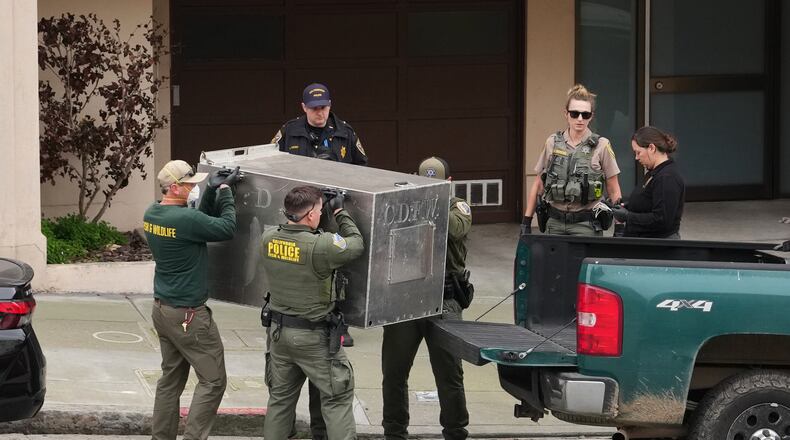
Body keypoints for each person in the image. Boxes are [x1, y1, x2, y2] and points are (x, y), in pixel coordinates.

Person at [144, 160, 240, 440]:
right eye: (189, 184)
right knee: (213, 381)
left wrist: (209, 191)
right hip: (189, 316)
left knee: (170, 382)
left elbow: (200, 224)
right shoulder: (185, 220)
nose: (194, 188)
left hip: (162, 310)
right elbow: (225, 228)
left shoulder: (153, 213)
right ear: (174, 187)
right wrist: (224, 192)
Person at [260, 185, 364, 440]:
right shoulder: (322, 246)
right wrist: (340, 211)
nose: (320, 214)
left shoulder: (269, 238)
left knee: (280, 401)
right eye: (319, 210)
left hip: (279, 335)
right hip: (314, 338)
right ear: (309, 216)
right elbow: (356, 243)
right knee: (337, 399)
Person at [381, 157, 472, 440]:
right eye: (424, 181)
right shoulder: (404, 203)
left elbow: (455, 229)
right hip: (405, 299)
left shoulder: (458, 206)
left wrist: (425, 200)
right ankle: (394, 432)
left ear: (448, 183)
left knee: (449, 375)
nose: (429, 187)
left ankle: (455, 432)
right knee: (394, 372)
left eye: (436, 183)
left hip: (443, 299)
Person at [522, 84, 622, 236]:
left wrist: (619, 226)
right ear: (566, 114)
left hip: (586, 224)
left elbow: (613, 188)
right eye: (574, 114)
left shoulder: (602, 145)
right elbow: (538, 184)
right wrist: (526, 222)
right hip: (554, 222)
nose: (580, 119)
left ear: (591, 116)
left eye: (585, 114)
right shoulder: (552, 142)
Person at [611, 126, 685, 239]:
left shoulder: (667, 177)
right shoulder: (654, 172)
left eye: (638, 152)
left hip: (657, 247)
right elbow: (648, 201)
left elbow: (662, 220)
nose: (636, 158)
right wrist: (627, 206)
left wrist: (628, 216)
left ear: (651, 148)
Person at [271, 83, 368, 165]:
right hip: (299, 186)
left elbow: (362, 166)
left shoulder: (344, 132)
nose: (319, 113)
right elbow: (270, 161)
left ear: (330, 105)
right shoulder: (289, 130)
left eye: (323, 107)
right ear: (304, 107)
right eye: (314, 108)